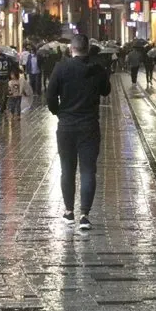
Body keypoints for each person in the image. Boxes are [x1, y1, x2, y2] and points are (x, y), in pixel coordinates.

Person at [47, 34, 111, 230]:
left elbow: (50, 97)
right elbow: (106, 91)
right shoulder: (97, 69)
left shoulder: (61, 67)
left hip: (66, 126)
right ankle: (84, 215)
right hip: (89, 126)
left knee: (67, 169)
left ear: (71, 49)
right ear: (88, 48)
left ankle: (68, 212)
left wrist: (59, 113)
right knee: (88, 170)